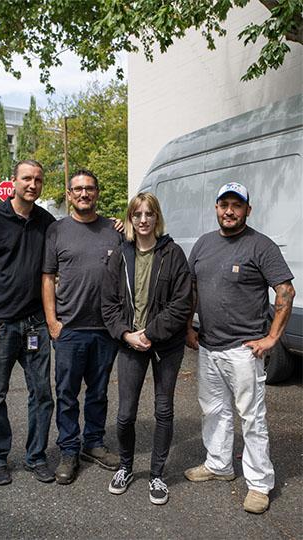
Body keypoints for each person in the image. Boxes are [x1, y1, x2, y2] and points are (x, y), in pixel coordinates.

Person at [184, 182, 295, 514]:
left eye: (236, 205)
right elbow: (192, 287)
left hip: (244, 350)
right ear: (216, 208)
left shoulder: (260, 246)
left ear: (248, 209)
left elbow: (285, 291)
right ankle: (219, 464)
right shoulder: (204, 244)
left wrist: (272, 338)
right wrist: (189, 324)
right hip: (209, 346)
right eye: (223, 204)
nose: (229, 211)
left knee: (251, 418)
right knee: (213, 410)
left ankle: (259, 484)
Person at [0, 159, 56, 486]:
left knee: (42, 394)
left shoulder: (47, 222)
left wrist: (115, 225)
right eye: (27, 179)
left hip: (35, 326)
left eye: (38, 180)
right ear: (14, 182)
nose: (32, 185)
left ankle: (36, 457)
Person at [101, 192, 192, 505]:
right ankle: (126, 467)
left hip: (165, 345)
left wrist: (150, 332)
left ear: (157, 218)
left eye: (148, 214)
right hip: (130, 343)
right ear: (130, 218)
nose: (143, 220)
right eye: (137, 214)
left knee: (163, 410)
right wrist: (127, 335)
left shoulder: (173, 254)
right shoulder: (120, 255)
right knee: (125, 415)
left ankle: (157, 475)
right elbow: (108, 303)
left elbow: (182, 303)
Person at [42, 168, 122, 485]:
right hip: (69, 328)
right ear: (70, 194)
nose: (84, 194)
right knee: (67, 393)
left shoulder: (114, 231)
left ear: (97, 192)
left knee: (98, 392)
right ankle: (68, 450)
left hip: (105, 329)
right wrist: (52, 321)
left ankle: (94, 443)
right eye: (78, 189)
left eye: (89, 188)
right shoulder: (57, 231)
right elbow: (47, 277)